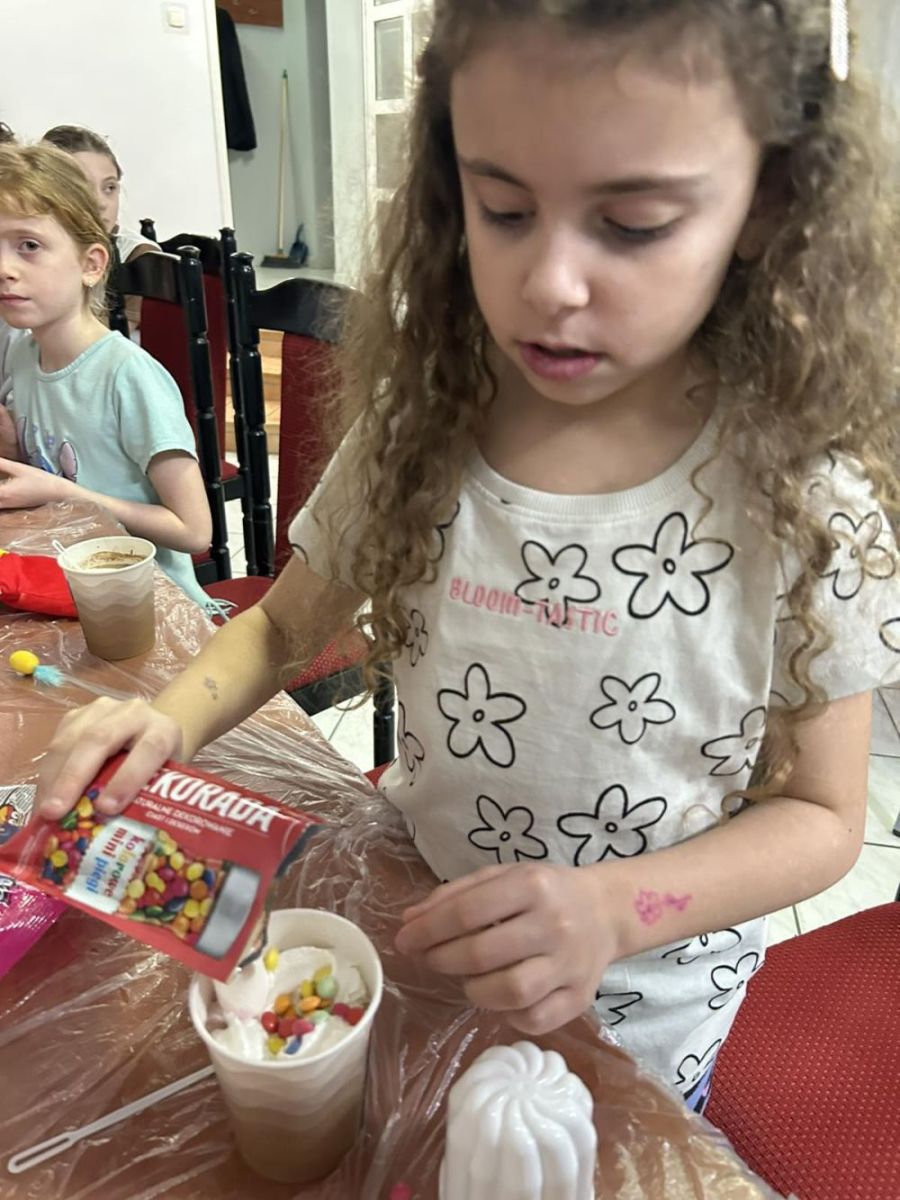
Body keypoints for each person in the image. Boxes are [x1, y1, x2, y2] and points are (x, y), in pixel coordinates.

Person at [35, 0, 899, 1112]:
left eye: (634, 224)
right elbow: (282, 627)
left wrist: (610, 912)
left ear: (765, 203)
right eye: (504, 209)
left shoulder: (807, 495)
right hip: (417, 930)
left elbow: (823, 819)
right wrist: (167, 720)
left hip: (640, 1010)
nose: (550, 284)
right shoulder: (426, 422)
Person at [0, 142, 212, 607]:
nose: (4, 268)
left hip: (149, 605)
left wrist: (63, 492)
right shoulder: (24, 357)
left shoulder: (128, 376)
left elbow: (194, 530)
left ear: (91, 265)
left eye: (29, 246)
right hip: (65, 586)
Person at [42, 125, 157, 333]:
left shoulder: (137, 255)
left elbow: (107, 339)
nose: (101, 203)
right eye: (82, 189)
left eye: (109, 188)